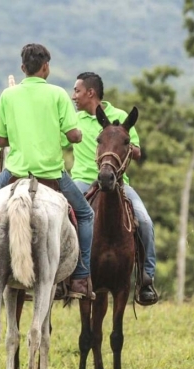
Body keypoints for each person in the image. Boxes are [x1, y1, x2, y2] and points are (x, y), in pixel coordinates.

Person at [0, 43, 94, 300]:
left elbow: (1, 141)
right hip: (52, 174)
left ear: (23, 68)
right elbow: (74, 135)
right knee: (85, 214)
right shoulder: (59, 94)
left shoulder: (8, 96)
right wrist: (77, 133)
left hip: (14, 173)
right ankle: (81, 276)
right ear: (46, 67)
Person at [67, 72, 159, 305]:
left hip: (118, 182)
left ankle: (147, 278)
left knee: (145, 221)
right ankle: (63, 278)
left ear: (91, 92)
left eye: (77, 91)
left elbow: (136, 151)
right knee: (60, 219)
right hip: (81, 181)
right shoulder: (73, 119)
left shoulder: (119, 116)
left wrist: (123, 141)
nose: (74, 96)